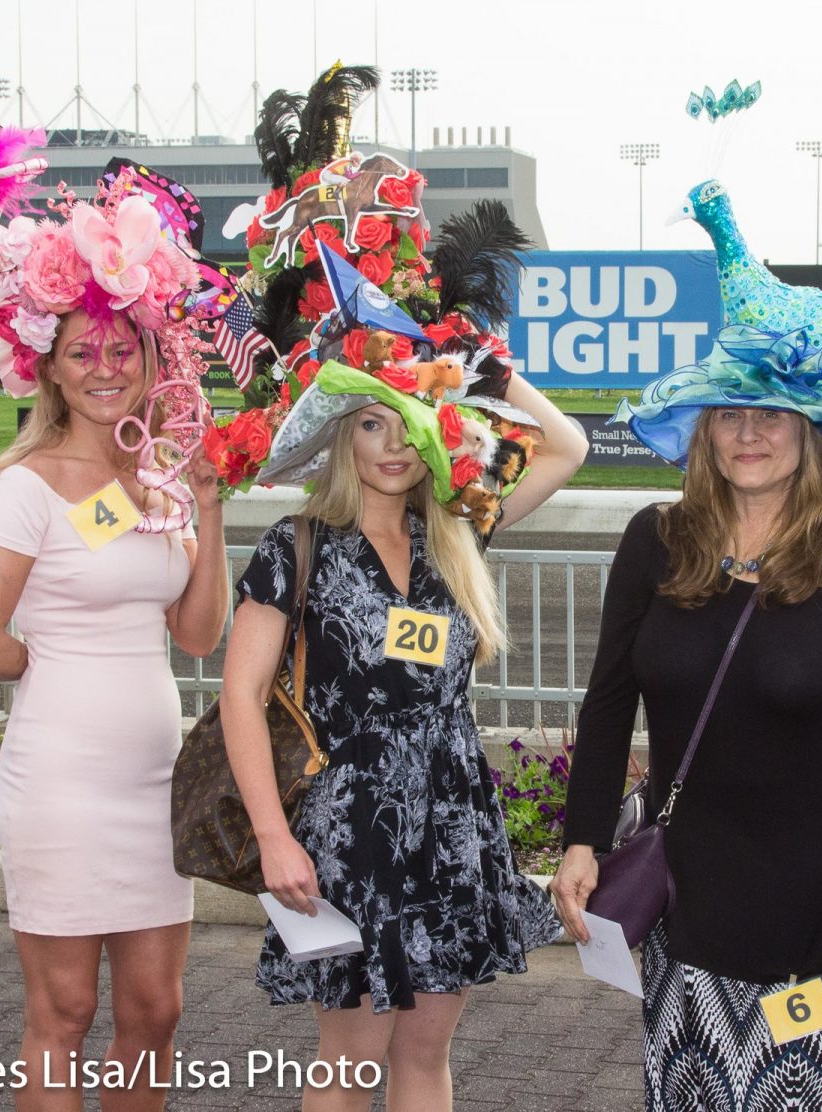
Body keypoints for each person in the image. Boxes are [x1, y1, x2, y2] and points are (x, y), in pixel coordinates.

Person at [552, 326, 822, 1111]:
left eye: (772, 415)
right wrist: (581, 841)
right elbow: (610, 702)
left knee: (808, 1093)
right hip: (690, 890)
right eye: (728, 415)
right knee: (695, 1089)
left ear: (810, 434)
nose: (749, 434)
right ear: (703, 432)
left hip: (819, 909)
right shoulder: (655, 541)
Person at [219, 340, 586, 1109]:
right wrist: (272, 837)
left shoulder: (458, 530)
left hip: (451, 826)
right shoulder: (298, 544)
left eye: (410, 425)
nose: (393, 447)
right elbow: (241, 696)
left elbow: (568, 447)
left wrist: (474, 360)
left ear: (437, 434)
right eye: (370, 425)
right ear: (341, 436)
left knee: (425, 1053)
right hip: (347, 831)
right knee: (351, 1057)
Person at [0, 184, 229, 1110]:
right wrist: (57, 663)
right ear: (49, 370)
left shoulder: (161, 485)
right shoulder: (25, 488)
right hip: (62, 787)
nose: (105, 366)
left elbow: (195, 635)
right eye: (82, 352)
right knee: (63, 1015)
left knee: (156, 1012)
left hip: (153, 788)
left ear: (151, 360)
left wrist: (213, 507)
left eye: (122, 348)